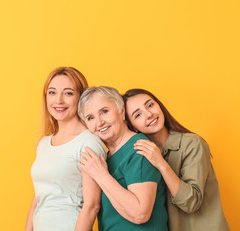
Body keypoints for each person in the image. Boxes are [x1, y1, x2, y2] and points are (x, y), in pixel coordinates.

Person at [123, 88, 229, 231]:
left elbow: (191, 202)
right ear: (132, 127)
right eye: (138, 115)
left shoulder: (192, 144)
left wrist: (161, 163)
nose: (149, 114)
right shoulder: (139, 157)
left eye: (150, 105)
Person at [25, 67, 107, 231]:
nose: (58, 100)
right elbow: (39, 196)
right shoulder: (44, 143)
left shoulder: (88, 143)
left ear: (81, 98)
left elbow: (92, 206)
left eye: (68, 93)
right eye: (52, 92)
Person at [77, 86, 168, 231]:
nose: (99, 122)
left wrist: (101, 176)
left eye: (104, 112)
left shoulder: (139, 148)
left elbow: (141, 213)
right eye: (91, 118)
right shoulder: (104, 158)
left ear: (122, 112)